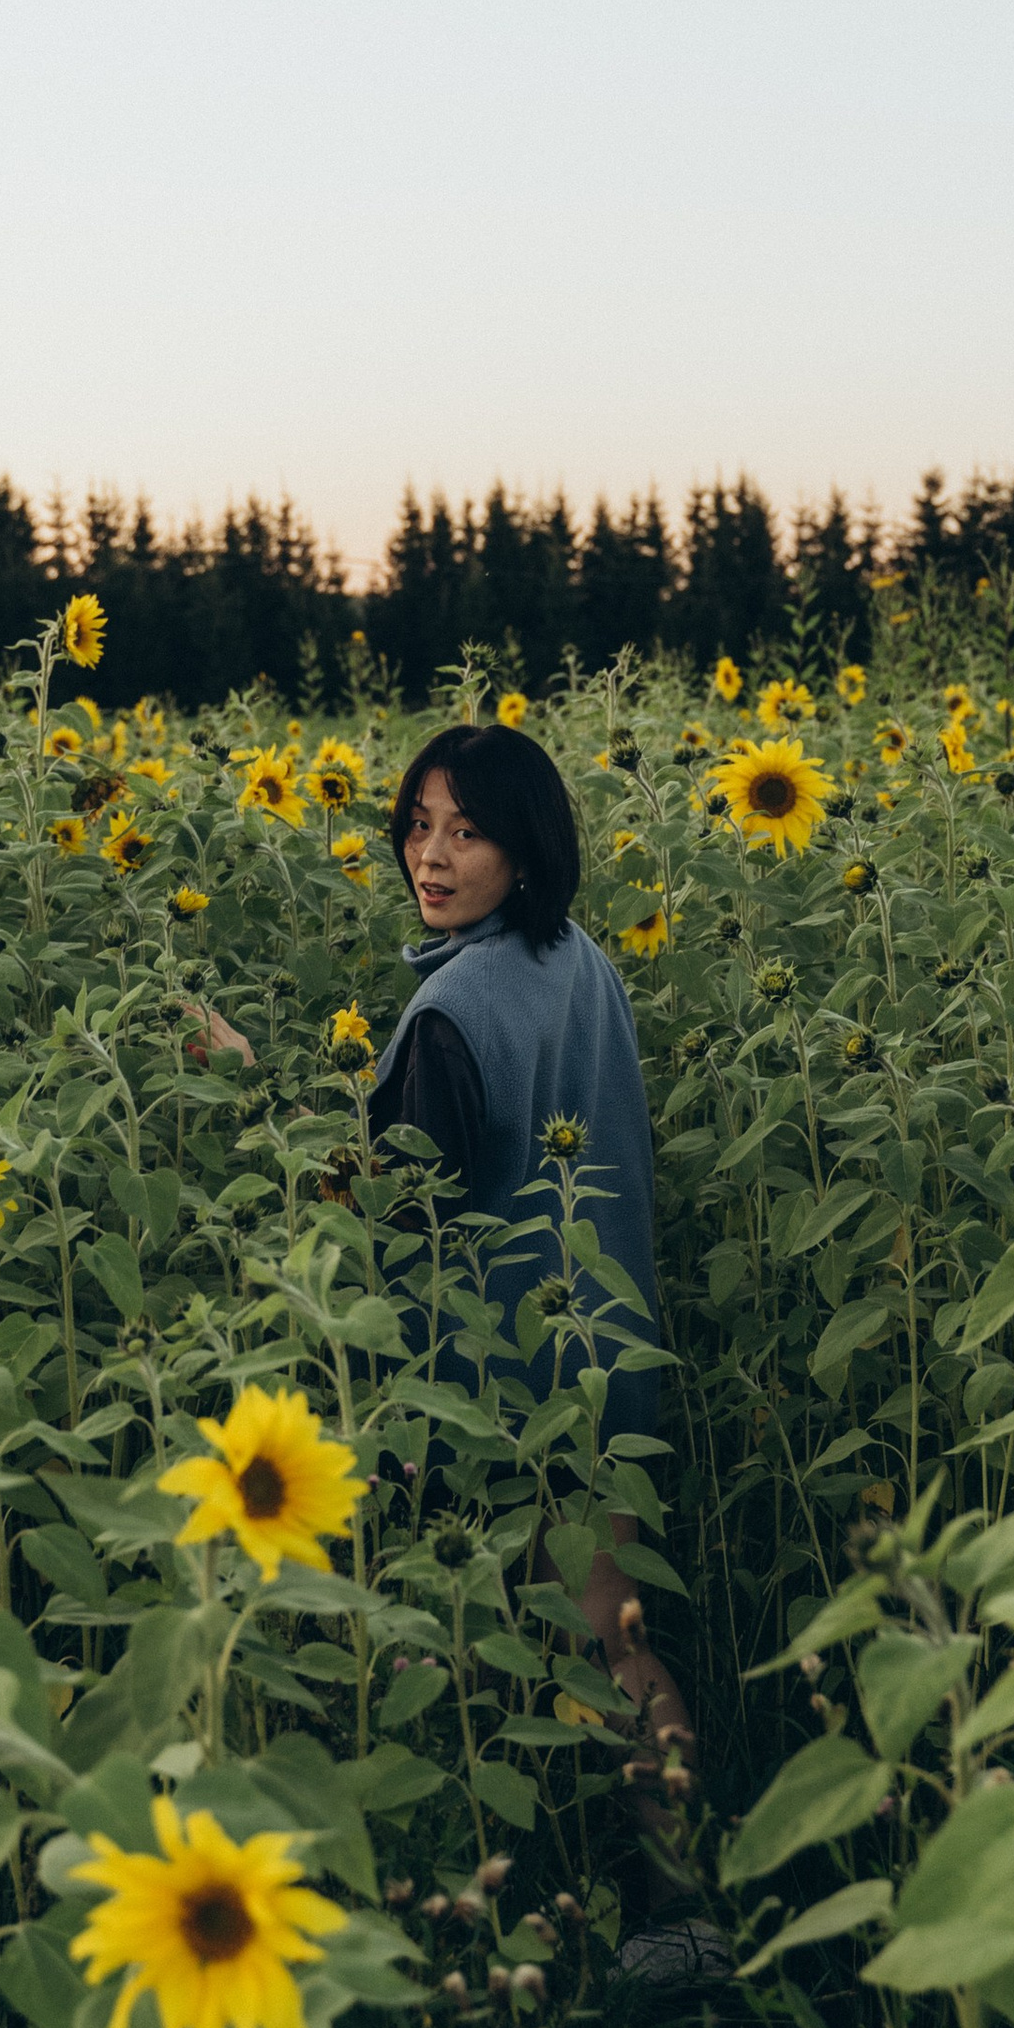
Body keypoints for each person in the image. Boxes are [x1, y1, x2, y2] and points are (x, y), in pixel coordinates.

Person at [366, 722, 694, 1788]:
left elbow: (403, 1205)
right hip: (604, 1355)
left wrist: (255, 1090)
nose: (432, 856)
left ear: (521, 848)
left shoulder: (451, 1009)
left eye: (467, 831)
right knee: (614, 1638)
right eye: (419, 825)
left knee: (443, 1638)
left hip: (486, 1381)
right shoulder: (578, 959)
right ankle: (678, 1899)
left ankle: (469, 1879)